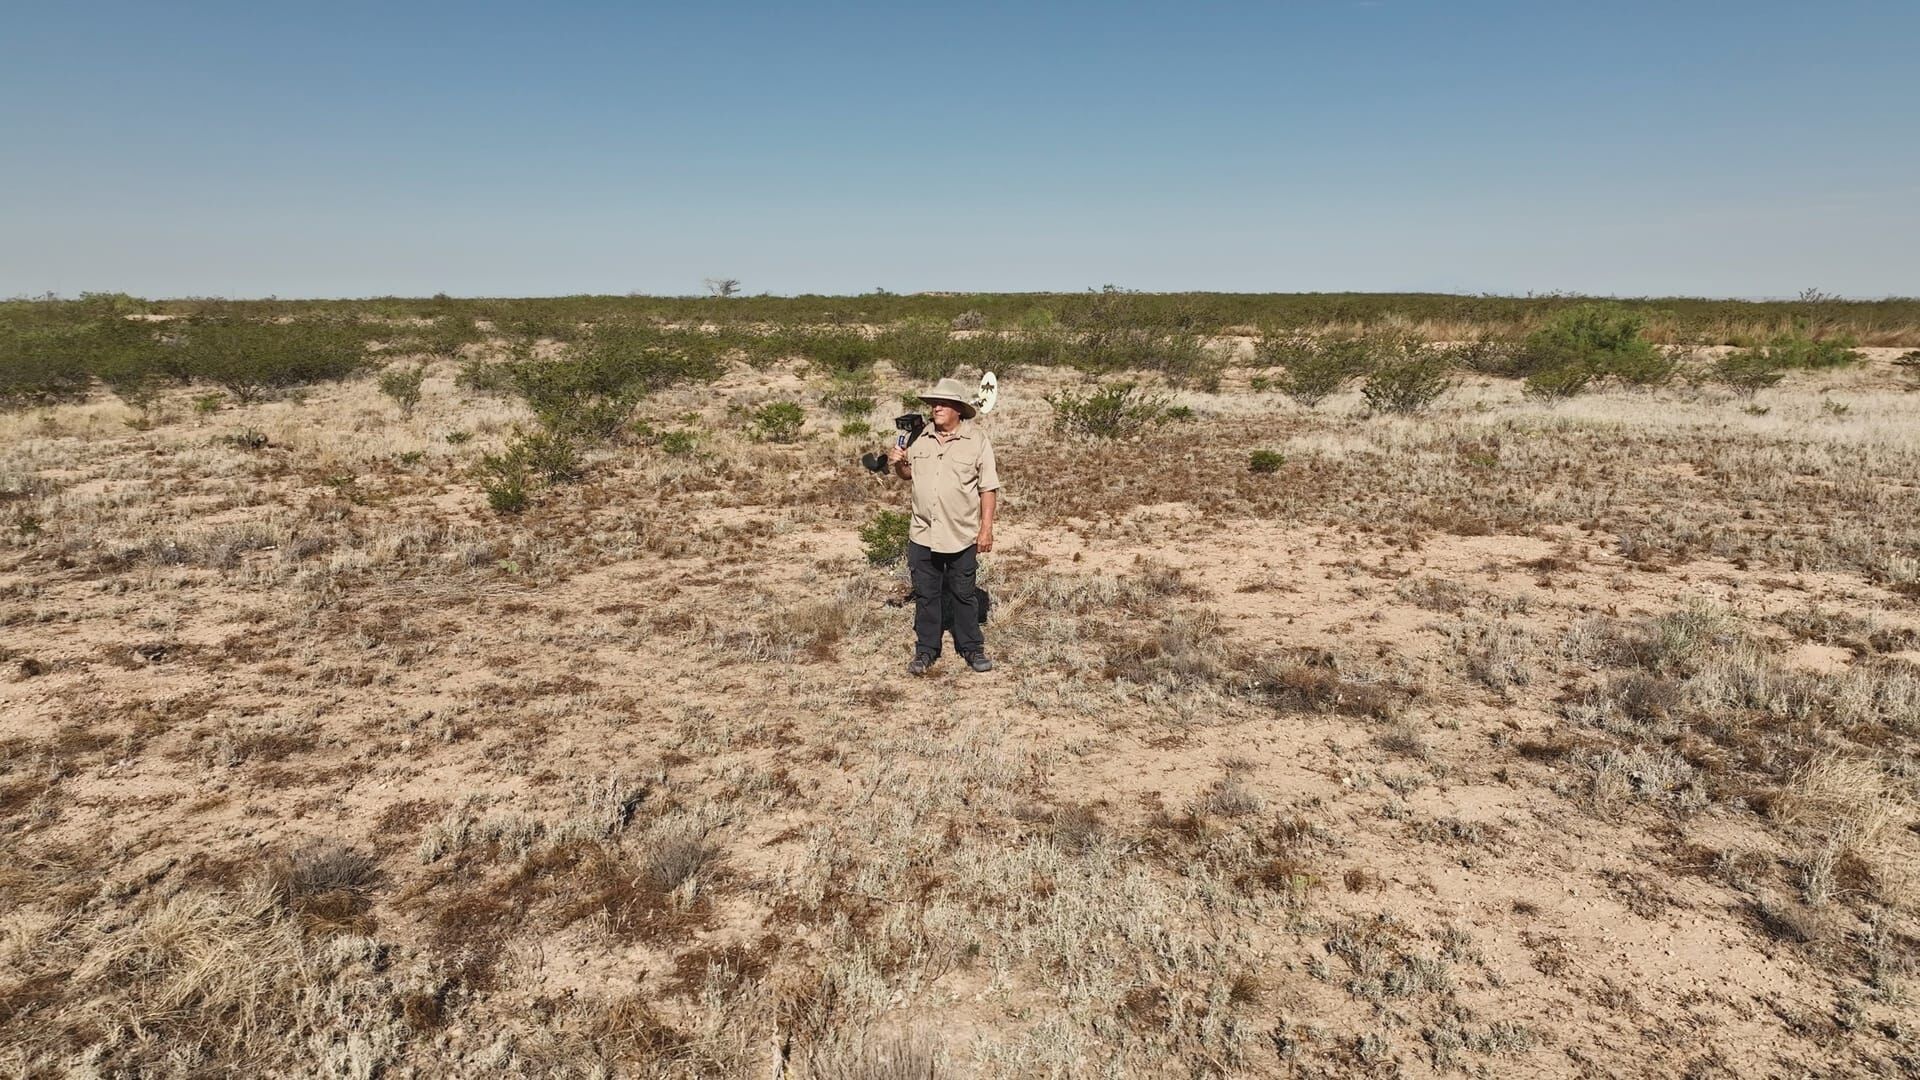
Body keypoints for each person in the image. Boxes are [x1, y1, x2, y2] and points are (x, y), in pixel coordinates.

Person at [885, 377, 1000, 675]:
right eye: (934, 403)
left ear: (958, 409)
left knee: (963, 594)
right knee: (926, 594)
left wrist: (985, 529)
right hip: (923, 532)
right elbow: (908, 475)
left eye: (943, 403)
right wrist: (898, 463)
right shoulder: (920, 436)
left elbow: (988, 487)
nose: (935, 408)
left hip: (960, 533)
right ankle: (926, 651)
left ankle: (971, 648)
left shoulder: (976, 440)